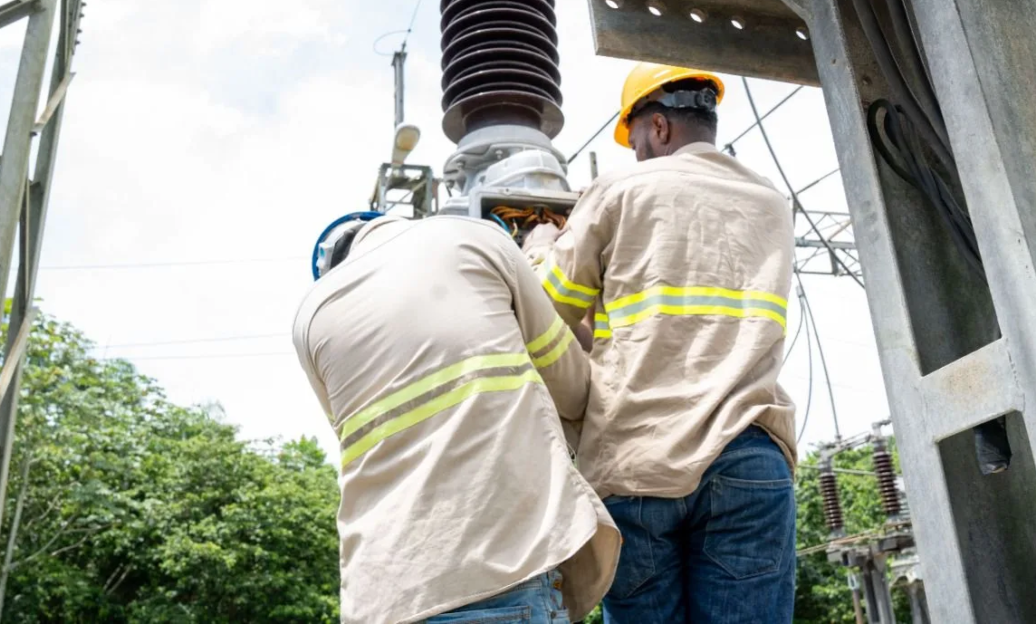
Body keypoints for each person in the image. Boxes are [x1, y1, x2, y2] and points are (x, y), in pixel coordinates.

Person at [524, 63, 798, 624]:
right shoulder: (771, 203)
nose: (639, 154)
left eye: (638, 141)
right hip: (749, 456)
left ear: (660, 127)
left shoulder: (619, 191)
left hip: (638, 463)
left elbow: (545, 314)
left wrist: (538, 247)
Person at [293, 212, 620, 624]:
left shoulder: (310, 318)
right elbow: (572, 385)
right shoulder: (474, 239)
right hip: (500, 572)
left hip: (380, 599)